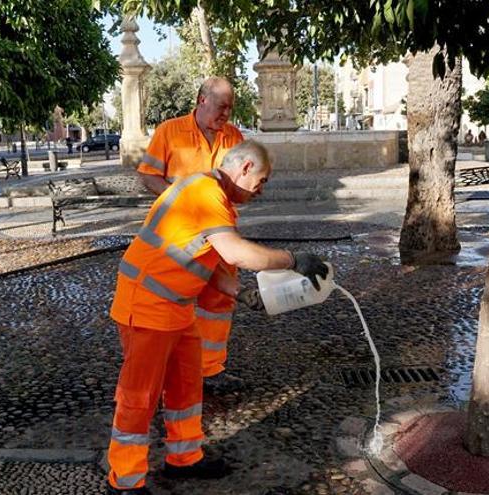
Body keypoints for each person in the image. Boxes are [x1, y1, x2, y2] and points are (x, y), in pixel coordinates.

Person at [106, 141, 328, 494]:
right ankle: (125, 480)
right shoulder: (206, 192)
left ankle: (184, 458)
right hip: (146, 306)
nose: (262, 190)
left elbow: (202, 263)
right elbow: (236, 252)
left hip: (175, 307)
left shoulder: (211, 196)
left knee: (186, 386)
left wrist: (241, 294)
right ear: (244, 168)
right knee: (139, 396)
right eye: (263, 180)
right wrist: (292, 259)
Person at [136, 76, 247, 393]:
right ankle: (170, 370)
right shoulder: (169, 131)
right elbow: (148, 177)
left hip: (219, 235)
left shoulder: (234, 136)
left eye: (230, 108)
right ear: (202, 100)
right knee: (172, 300)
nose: (226, 114)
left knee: (219, 300)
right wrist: (182, 199)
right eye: (221, 107)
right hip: (178, 234)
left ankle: (210, 370)